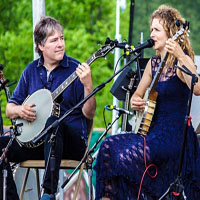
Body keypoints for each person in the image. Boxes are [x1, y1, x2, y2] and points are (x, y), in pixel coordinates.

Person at [94, 5, 200, 200]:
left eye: (157, 30)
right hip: (150, 134)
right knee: (108, 147)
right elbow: (137, 94)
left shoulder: (181, 62)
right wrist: (136, 102)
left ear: (171, 33)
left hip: (174, 137)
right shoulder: (153, 64)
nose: (152, 34)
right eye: (151, 29)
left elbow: (198, 88)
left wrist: (179, 55)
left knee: (125, 158)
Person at [0, 16, 96, 200]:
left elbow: (89, 113)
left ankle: (48, 194)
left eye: (62, 38)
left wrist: (88, 86)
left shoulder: (76, 70)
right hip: (36, 143)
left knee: (54, 123)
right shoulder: (30, 71)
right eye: (54, 40)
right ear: (41, 46)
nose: (60, 44)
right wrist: (20, 111)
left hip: (71, 143)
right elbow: (9, 109)